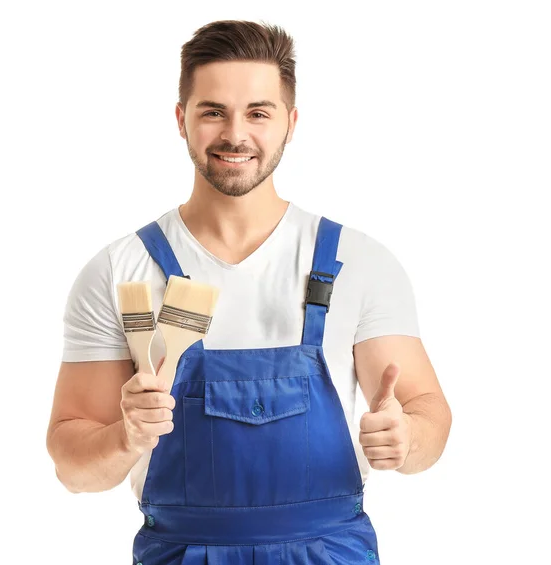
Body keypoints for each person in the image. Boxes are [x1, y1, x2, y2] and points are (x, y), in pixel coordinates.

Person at [46, 19, 452, 565]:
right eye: (212, 111)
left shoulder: (358, 262)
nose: (235, 133)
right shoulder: (121, 269)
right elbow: (72, 467)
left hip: (332, 552)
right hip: (182, 551)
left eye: (258, 112)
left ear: (291, 122)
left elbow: (429, 413)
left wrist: (407, 440)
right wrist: (125, 437)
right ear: (181, 120)